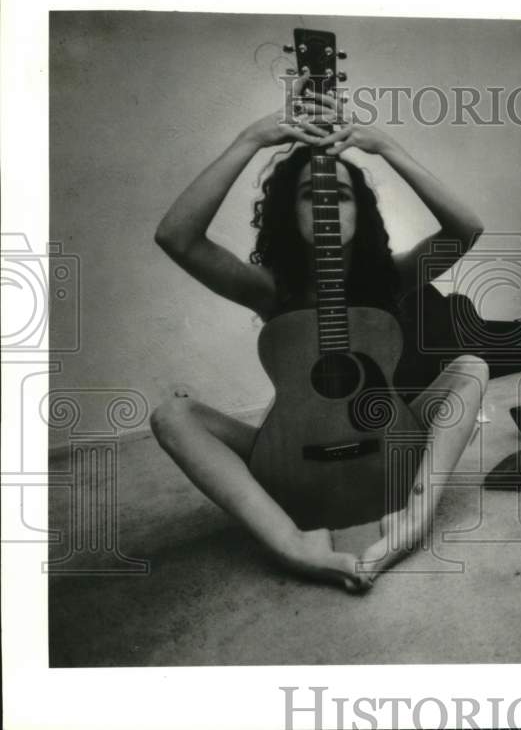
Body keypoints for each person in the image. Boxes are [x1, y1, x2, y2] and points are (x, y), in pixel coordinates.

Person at [151, 79, 487, 592]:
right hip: (293, 459)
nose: (328, 203)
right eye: (312, 193)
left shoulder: (391, 279)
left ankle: (415, 517)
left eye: (342, 195)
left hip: (384, 443)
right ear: (289, 210)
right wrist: (248, 140)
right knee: (172, 414)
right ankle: (289, 541)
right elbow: (176, 237)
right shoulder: (269, 290)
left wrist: (386, 147)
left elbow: (466, 229)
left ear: (363, 212)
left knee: (473, 368)